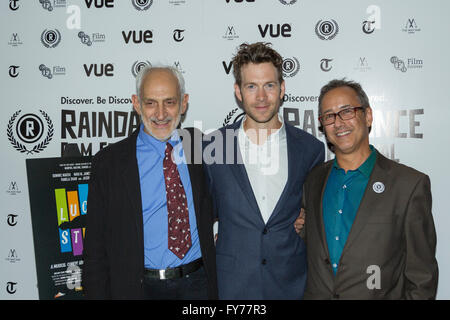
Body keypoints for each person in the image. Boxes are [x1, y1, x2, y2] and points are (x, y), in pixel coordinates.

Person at [83, 65, 217, 299]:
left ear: (184, 103)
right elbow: (95, 248)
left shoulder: (202, 147)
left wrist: (294, 215)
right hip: (139, 289)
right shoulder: (109, 163)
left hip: (198, 284)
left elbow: (235, 197)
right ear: (136, 103)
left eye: (170, 102)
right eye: (150, 102)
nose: (161, 113)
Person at [296, 78, 438, 299]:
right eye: (329, 116)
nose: (339, 123)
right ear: (322, 124)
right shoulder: (312, 181)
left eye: (347, 111)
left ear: (368, 115)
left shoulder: (409, 185)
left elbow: (422, 277)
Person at [203, 42, 325, 299]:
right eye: (251, 86)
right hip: (232, 287)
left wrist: (304, 223)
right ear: (238, 92)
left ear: (282, 89)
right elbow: (202, 212)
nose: (261, 97)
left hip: (290, 284)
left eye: (269, 85)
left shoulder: (310, 149)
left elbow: (315, 217)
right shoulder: (212, 146)